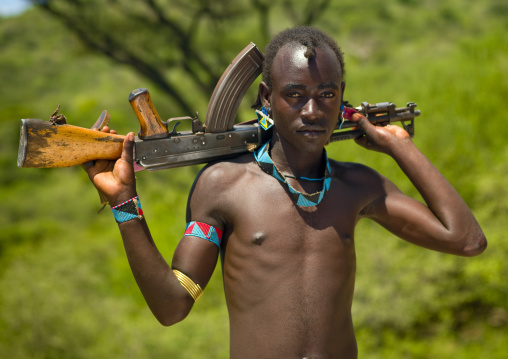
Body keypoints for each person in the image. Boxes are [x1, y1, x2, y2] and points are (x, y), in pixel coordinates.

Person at [85, 26, 487, 358]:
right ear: (267, 98)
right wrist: (124, 205)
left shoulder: (359, 187)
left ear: (341, 97)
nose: (312, 111)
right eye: (294, 95)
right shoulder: (224, 185)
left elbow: (466, 241)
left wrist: (402, 148)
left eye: (327, 95)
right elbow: (173, 306)